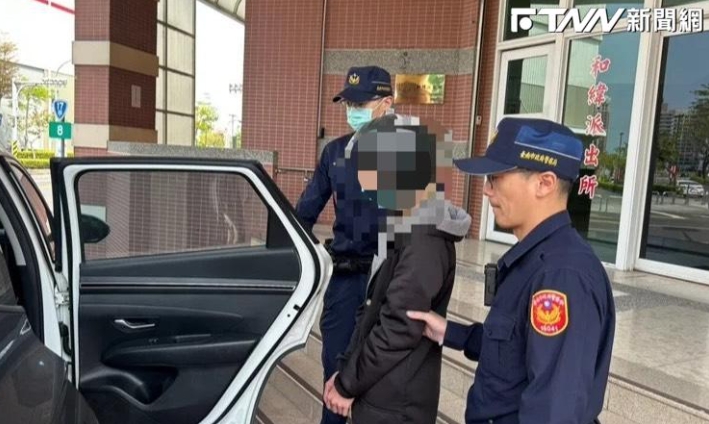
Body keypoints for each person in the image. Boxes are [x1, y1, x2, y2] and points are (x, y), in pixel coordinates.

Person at [407, 117, 616, 424]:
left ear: (544, 183)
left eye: (496, 178)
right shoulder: (534, 258)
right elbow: (514, 349)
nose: (486, 190)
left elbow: (553, 412)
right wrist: (451, 332)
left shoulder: (562, 276)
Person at [322, 114, 472, 424]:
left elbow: (397, 328)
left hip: (395, 405)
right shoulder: (403, 223)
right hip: (379, 394)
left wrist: (347, 383)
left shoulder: (424, 239)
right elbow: (371, 309)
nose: (365, 182)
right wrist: (345, 368)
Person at [294, 65, 393, 424]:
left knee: (382, 378)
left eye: (361, 103)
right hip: (345, 278)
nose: (353, 111)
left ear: (386, 103)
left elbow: (423, 226)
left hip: (390, 281)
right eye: (349, 103)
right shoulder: (335, 152)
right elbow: (305, 211)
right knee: (335, 370)